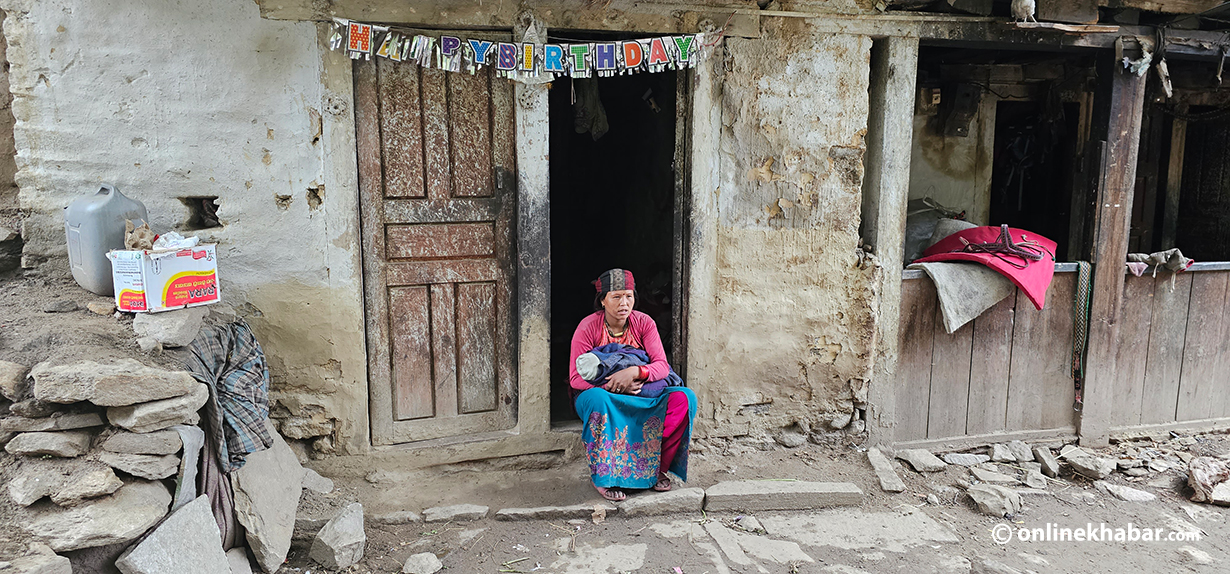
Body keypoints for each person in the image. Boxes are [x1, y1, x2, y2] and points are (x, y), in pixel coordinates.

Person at [569, 268, 697, 502]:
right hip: (604, 395)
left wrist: (634, 372)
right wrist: (614, 385)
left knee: (684, 398)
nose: (624, 303)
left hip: (639, 390)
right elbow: (576, 379)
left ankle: (656, 469)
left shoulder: (643, 323)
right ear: (602, 300)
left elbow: (661, 365)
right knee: (598, 400)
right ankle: (606, 478)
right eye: (616, 297)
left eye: (629, 296)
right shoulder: (588, 327)